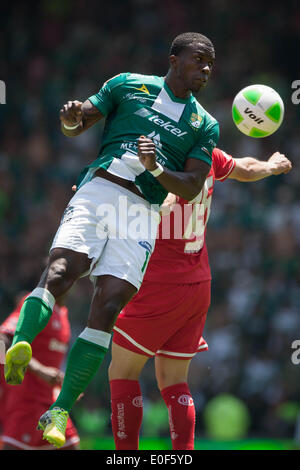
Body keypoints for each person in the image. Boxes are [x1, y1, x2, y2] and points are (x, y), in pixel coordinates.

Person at [4, 32, 219, 448]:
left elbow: (192, 185)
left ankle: (60, 409)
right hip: (101, 189)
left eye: (211, 64)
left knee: (107, 306)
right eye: (199, 61)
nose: (206, 70)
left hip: (142, 213)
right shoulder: (127, 84)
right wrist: (70, 117)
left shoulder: (204, 124)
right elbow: (77, 122)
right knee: (61, 269)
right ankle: (23, 343)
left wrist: (156, 169)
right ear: (174, 59)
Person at [108, 148, 292, 450]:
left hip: (159, 283)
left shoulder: (162, 159)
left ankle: (125, 455)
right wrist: (270, 167)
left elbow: (164, 200)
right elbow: (243, 167)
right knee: (173, 380)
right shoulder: (206, 153)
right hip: (197, 283)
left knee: (122, 372)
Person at [0, 293, 80, 450]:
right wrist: (39, 370)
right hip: (25, 404)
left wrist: (65, 387)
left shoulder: (62, 311)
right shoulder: (36, 302)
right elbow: (2, 341)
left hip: (53, 405)